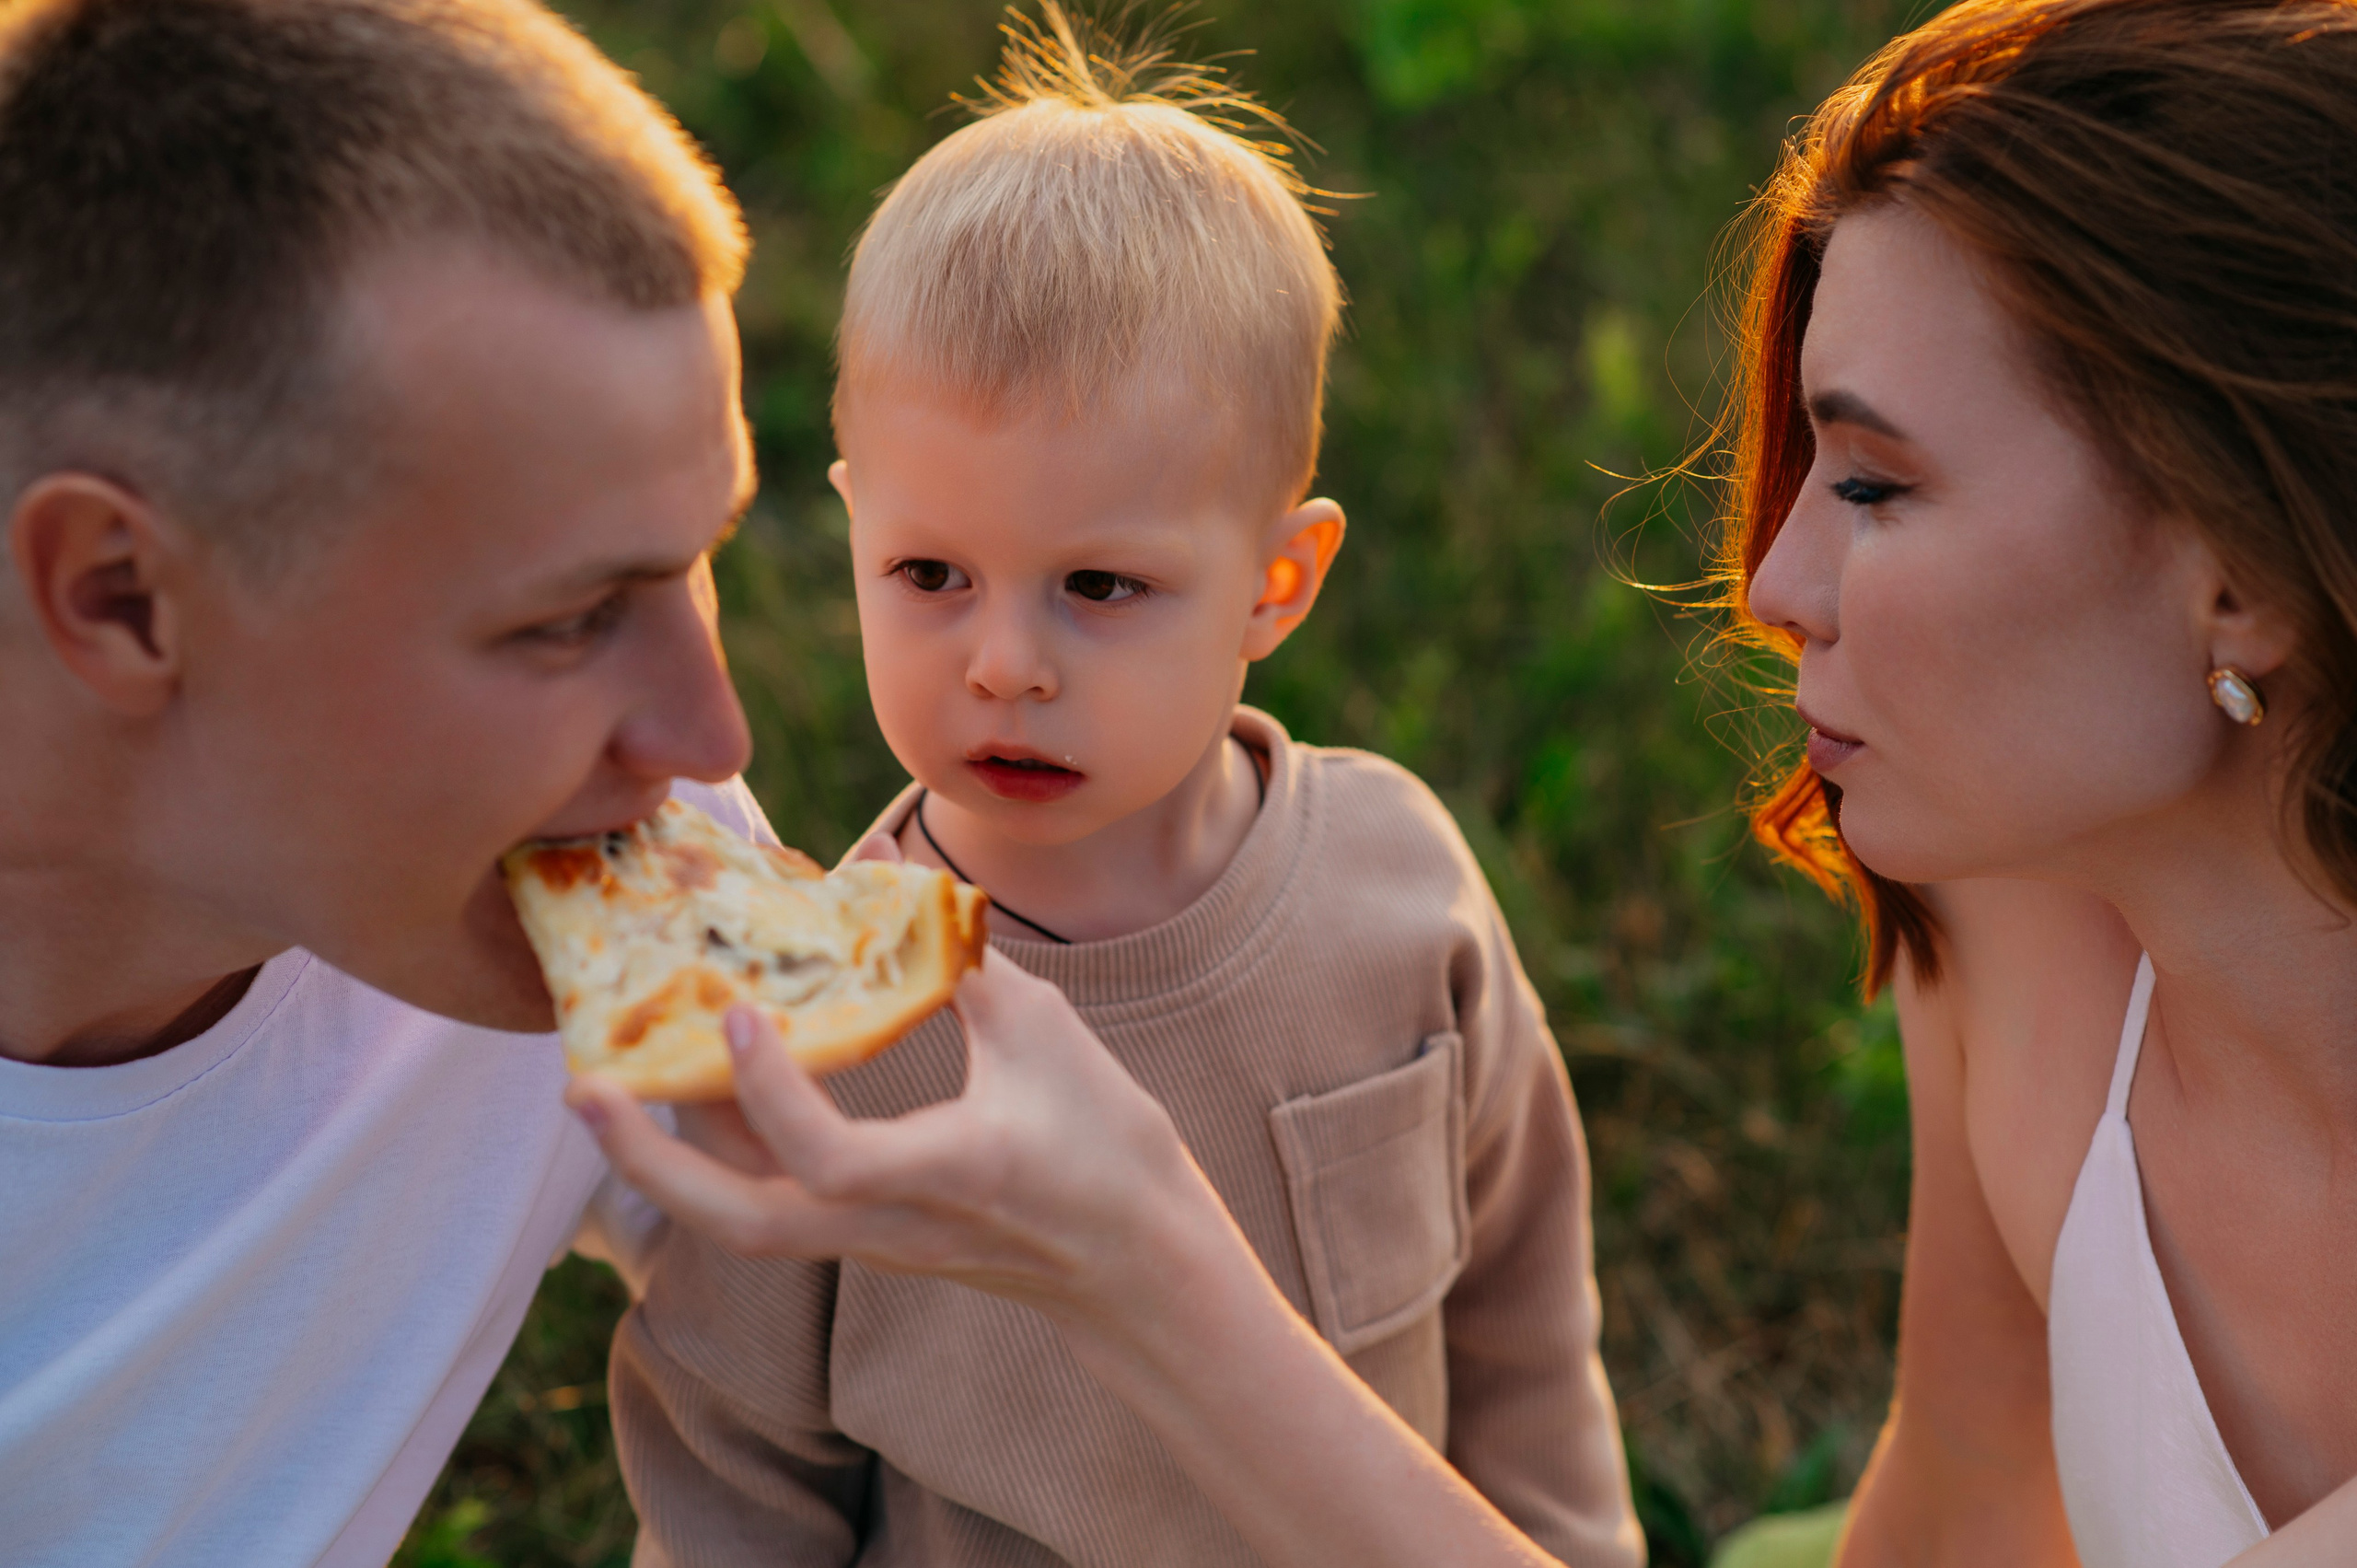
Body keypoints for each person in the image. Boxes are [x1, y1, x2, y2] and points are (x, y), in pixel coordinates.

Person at [597, 10, 1640, 1564]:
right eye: (931, 572)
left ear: (1278, 583)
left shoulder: (1392, 892)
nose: (1004, 662)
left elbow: (1517, 1316)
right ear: (852, 531)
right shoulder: (822, 1012)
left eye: (1098, 585)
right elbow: (729, 1454)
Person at [0, 0, 776, 1561]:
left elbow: (957, 1381)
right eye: (567, 619)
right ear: (119, 598)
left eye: (692, 569)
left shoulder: (594, 882)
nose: (709, 743)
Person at [1719, 0, 2357, 1563]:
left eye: (1873, 484)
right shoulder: (2012, 936)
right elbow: (1963, 1505)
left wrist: (1160, 1275)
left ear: (2244, 575)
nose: (1775, 582)